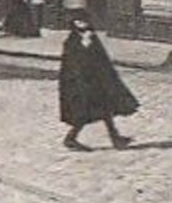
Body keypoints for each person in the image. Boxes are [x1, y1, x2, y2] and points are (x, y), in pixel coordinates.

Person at [59, 12, 137, 151]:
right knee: (84, 114)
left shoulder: (92, 37)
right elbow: (72, 63)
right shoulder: (72, 41)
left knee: (105, 111)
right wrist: (84, 45)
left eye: (84, 21)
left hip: (96, 82)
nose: (83, 24)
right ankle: (70, 138)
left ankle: (115, 138)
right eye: (79, 21)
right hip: (81, 84)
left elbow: (102, 60)